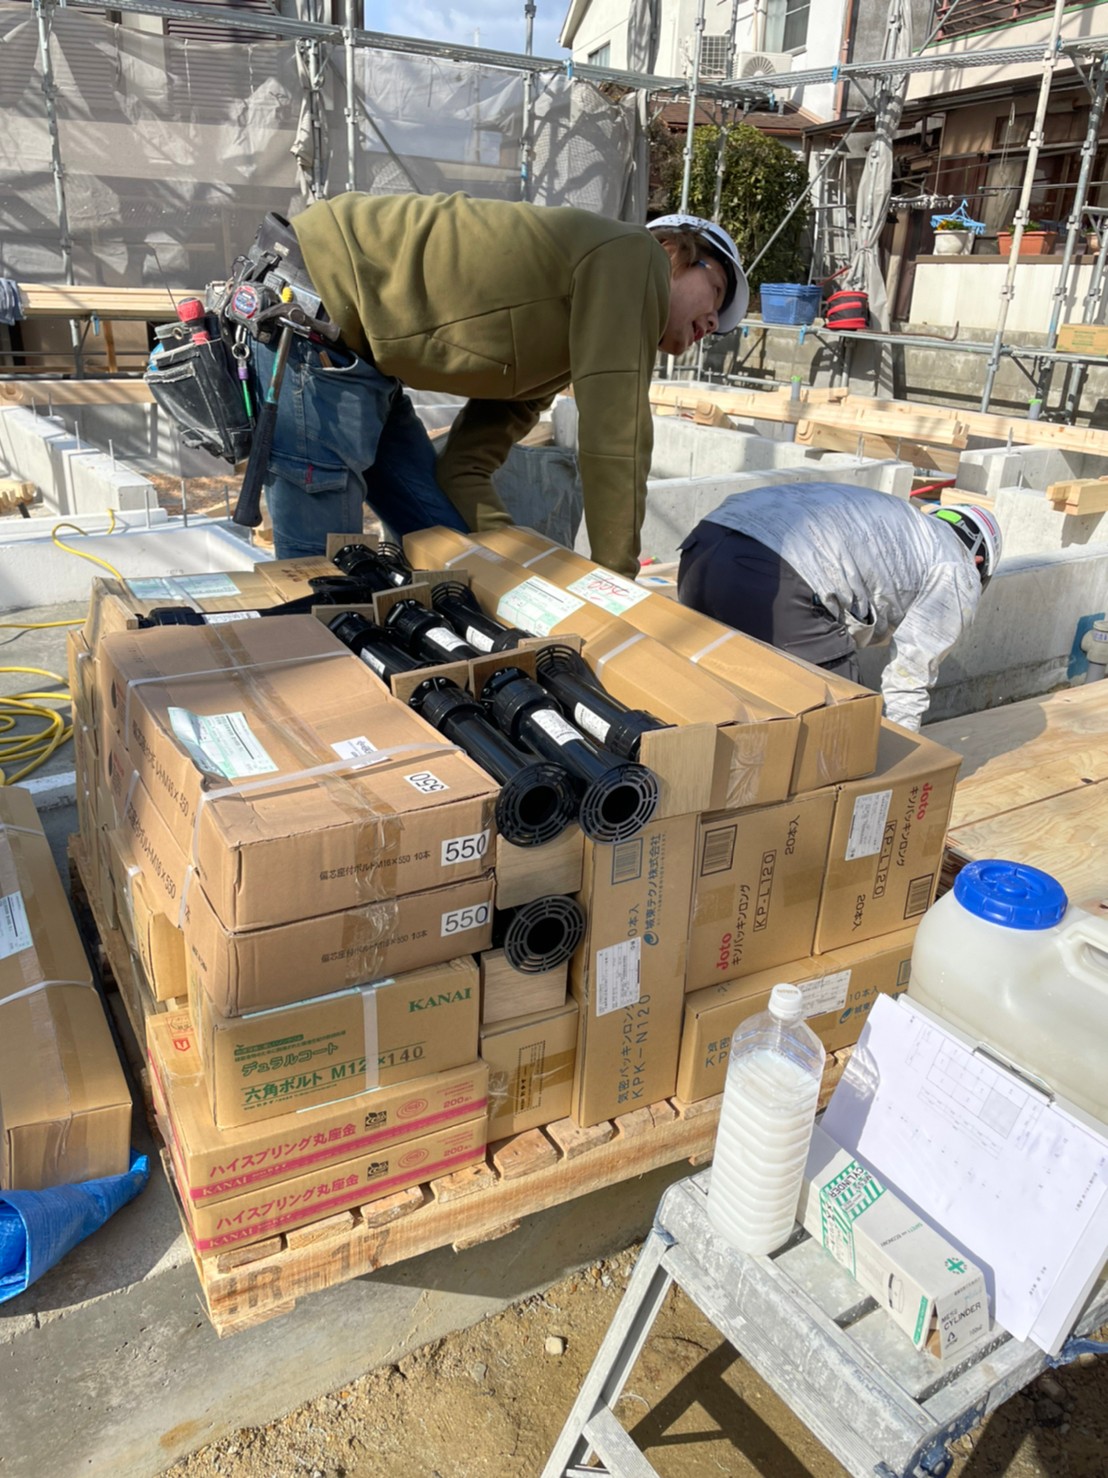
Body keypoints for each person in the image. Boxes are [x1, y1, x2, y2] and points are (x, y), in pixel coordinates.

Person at [231, 197, 748, 573]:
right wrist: (613, 584)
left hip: (363, 354)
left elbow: (464, 466)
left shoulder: (556, 358)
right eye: (716, 289)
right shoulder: (634, 256)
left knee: (452, 547)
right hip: (313, 308)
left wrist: (519, 562)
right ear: (675, 251)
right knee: (325, 579)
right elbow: (616, 439)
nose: (713, 322)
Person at [676, 482, 1002, 731]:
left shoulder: (903, 524)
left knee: (715, 701)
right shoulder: (958, 566)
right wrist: (904, 761)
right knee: (843, 729)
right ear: (979, 561)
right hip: (776, 572)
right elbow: (909, 677)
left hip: (704, 545)